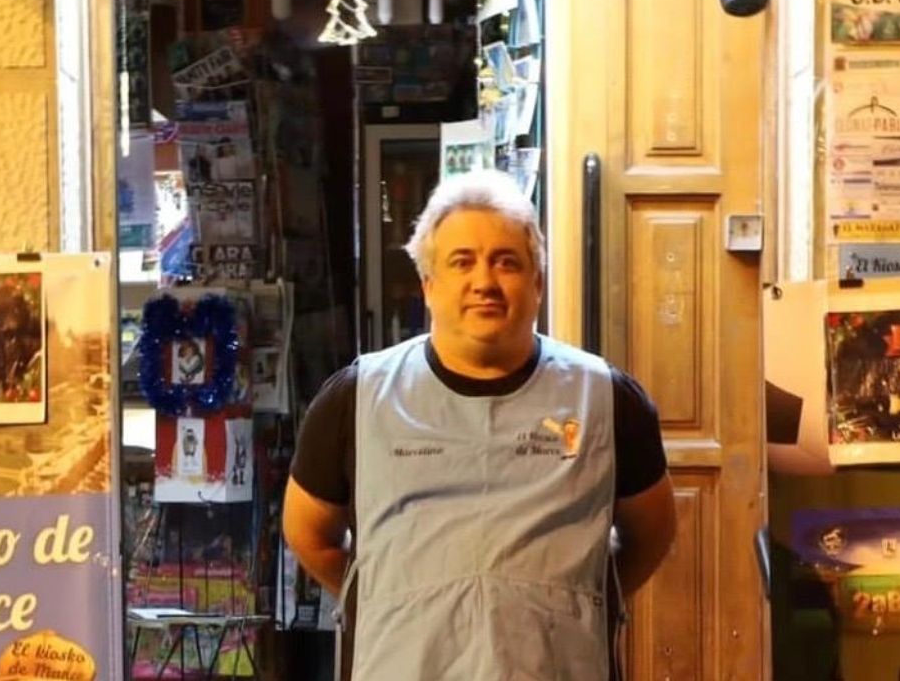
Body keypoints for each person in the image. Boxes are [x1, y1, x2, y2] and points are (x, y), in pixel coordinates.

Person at [283, 170, 677, 681]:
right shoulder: (356, 398)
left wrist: (560, 606)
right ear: (429, 285)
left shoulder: (606, 398)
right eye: (462, 262)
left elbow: (652, 532)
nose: (485, 282)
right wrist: (401, 605)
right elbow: (308, 533)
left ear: (537, 283)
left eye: (506, 262)